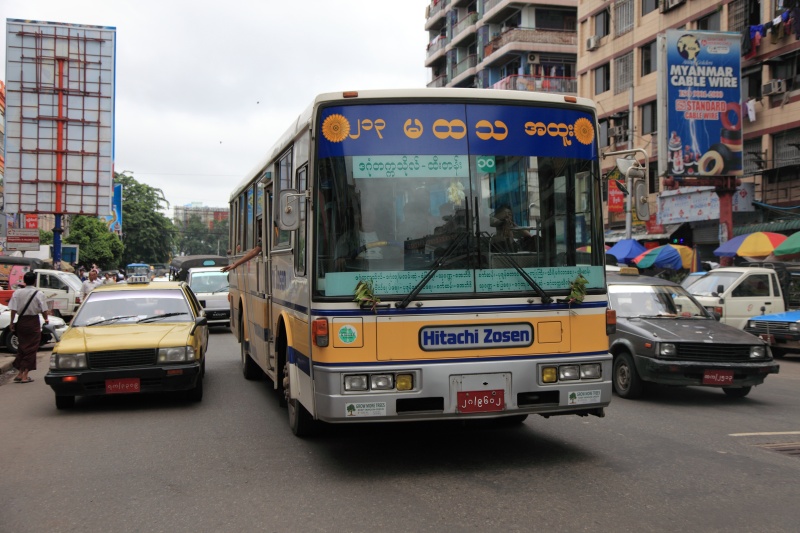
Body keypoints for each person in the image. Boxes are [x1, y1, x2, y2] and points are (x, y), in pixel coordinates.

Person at [8, 271, 49, 383]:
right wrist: (46, 319)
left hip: (21, 321)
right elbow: (44, 310)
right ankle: (25, 375)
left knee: (22, 347)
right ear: (35, 281)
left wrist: (12, 322)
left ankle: (20, 373)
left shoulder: (17, 293)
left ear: (24, 281)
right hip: (33, 322)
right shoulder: (39, 294)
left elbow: (13, 309)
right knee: (31, 348)